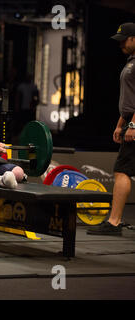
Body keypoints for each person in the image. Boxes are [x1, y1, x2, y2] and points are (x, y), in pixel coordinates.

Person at [88, 22, 135, 236]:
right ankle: (114, 222)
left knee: (122, 170)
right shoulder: (130, 62)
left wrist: (133, 124)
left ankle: (114, 223)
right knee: (123, 169)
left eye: (124, 40)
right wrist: (120, 124)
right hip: (128, 121)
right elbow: (128, 99)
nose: (121, 45)